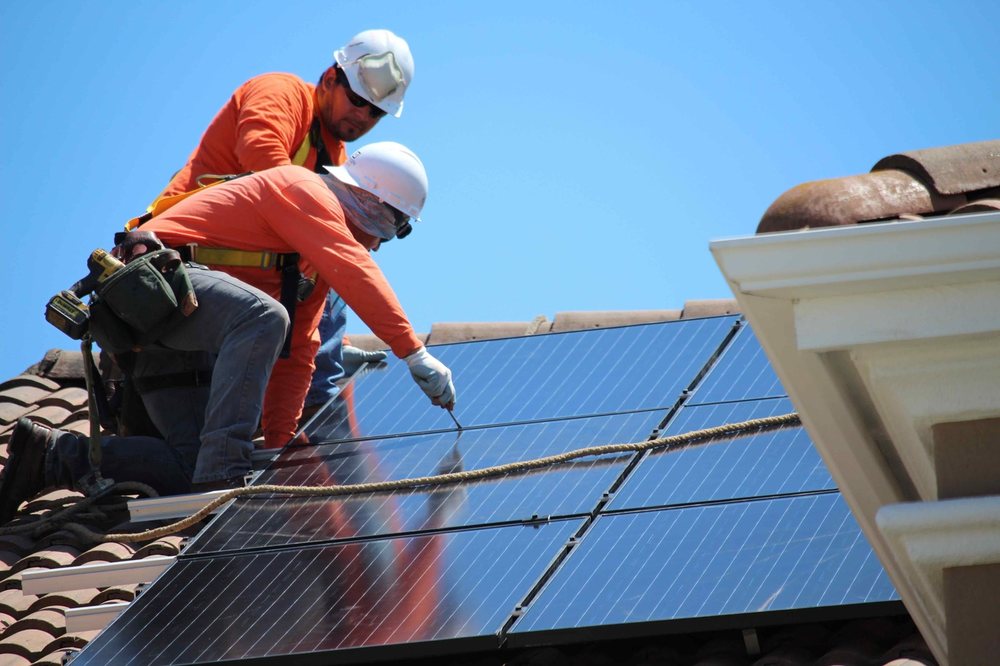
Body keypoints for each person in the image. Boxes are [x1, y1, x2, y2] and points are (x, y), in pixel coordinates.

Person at [0, 142, 454, 521]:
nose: (377, 243)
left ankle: (50, 456)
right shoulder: (302, 188)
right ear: (368, 198)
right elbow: (356, 268)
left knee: (189, 469)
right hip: (151, 291)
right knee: (265, 318)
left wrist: (279, 456)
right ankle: (226, 472)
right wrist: (412, 352)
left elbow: (298, 353)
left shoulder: (315, 261)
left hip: (175, 334)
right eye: (386, 229)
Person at [144, 28, 414, 430]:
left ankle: (305, 451)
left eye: (375, 112)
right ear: (330, 78)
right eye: (357, 100)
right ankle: (320, 435)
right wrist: (410, 349)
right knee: (334, 272)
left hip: (240, 277)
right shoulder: (281, 93)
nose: (362, 115)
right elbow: (266, 164)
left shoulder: (335, 156)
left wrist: (281, 443)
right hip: (182, 261)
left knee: (319, 296)